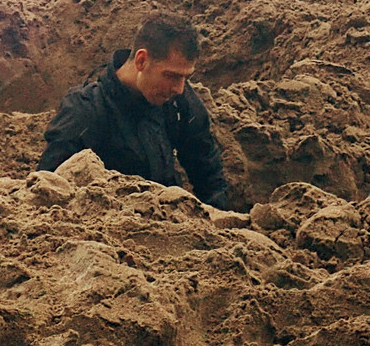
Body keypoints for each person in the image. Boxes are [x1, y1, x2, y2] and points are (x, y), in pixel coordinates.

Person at [37, 12, 229, 209]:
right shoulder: (86, 111)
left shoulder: (179, 102)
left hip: (175, 223)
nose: (179, 88)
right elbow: (46, 192)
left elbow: (209, 174)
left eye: (185, 77)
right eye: (171, 76)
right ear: (141, 61)